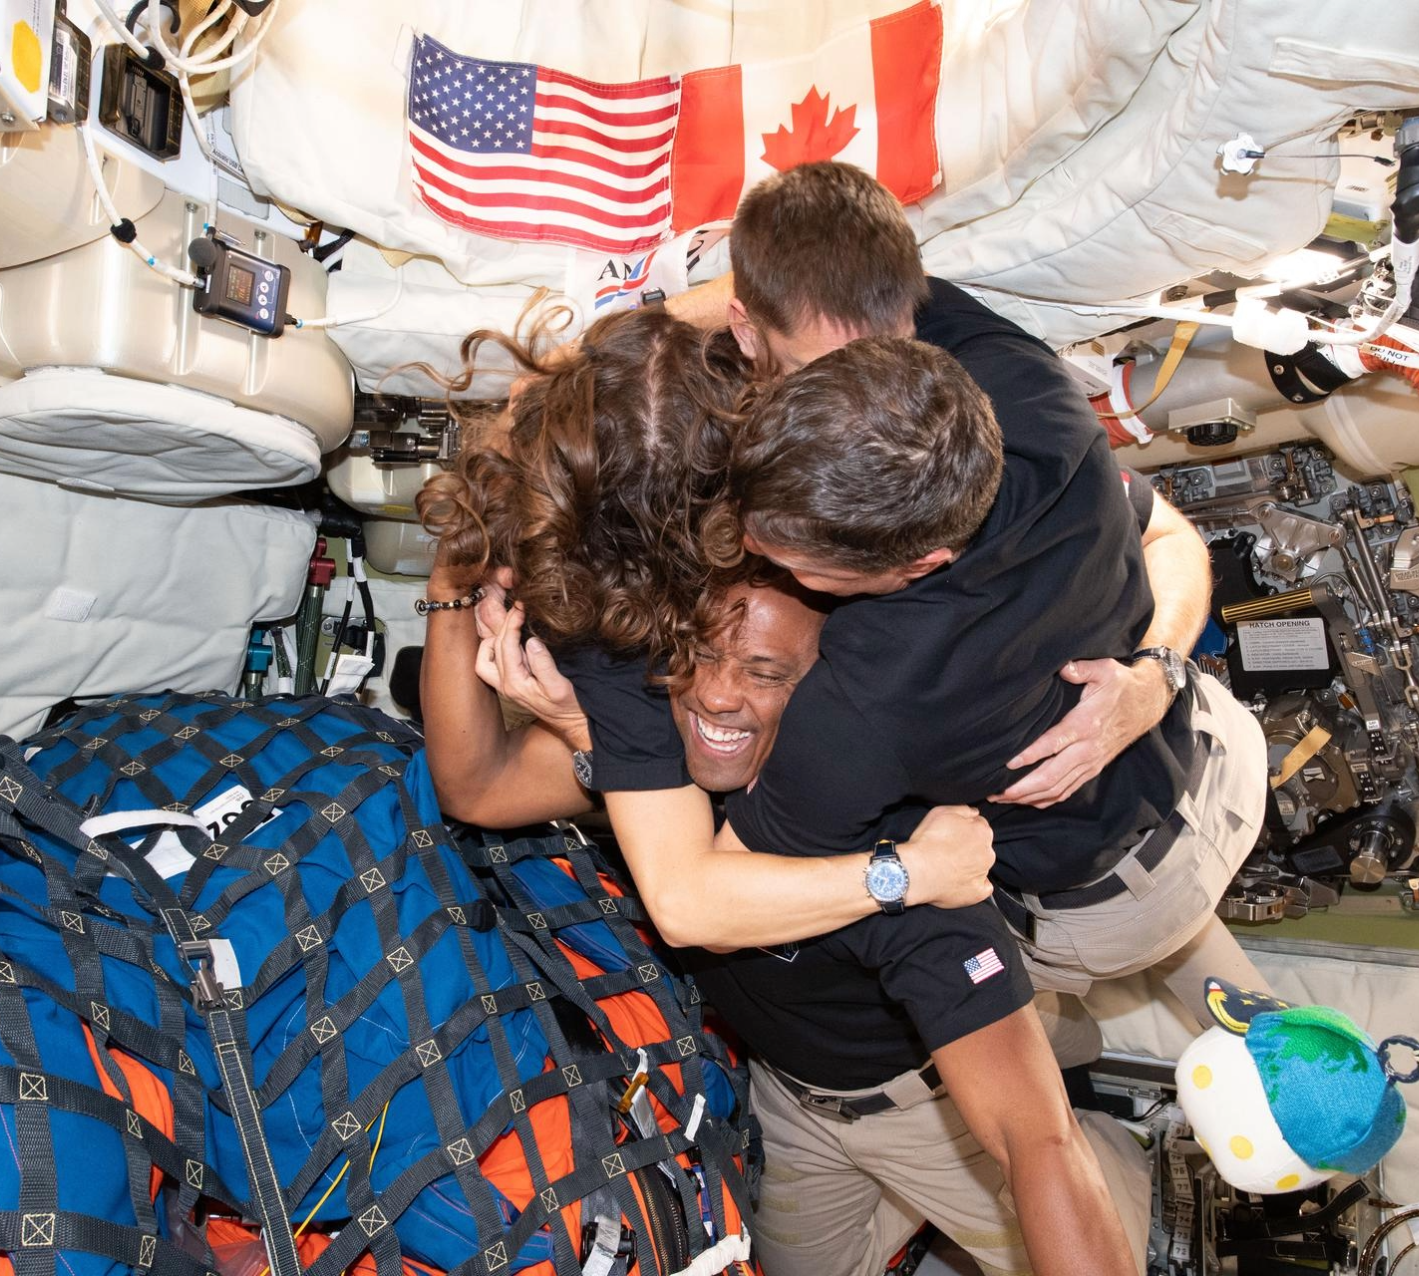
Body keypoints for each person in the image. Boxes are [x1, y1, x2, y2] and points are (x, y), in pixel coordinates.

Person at [472, 164, 1267, 1276]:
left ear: (903, 570)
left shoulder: (867, 713)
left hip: (1099, 900)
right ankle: (1227, 1018)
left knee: (1100, 1003)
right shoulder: (1021, 396)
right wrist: (1155, 671)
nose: (749, 548)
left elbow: (699, 894)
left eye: (779, 556)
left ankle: (1216, 1052)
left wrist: (909, 871)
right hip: (1215, 763)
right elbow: (1177, 541)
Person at [415, 305, 998, 951]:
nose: (718, 690)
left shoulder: (862, 476)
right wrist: (453, 585)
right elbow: (478, 790)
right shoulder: (614, 660)